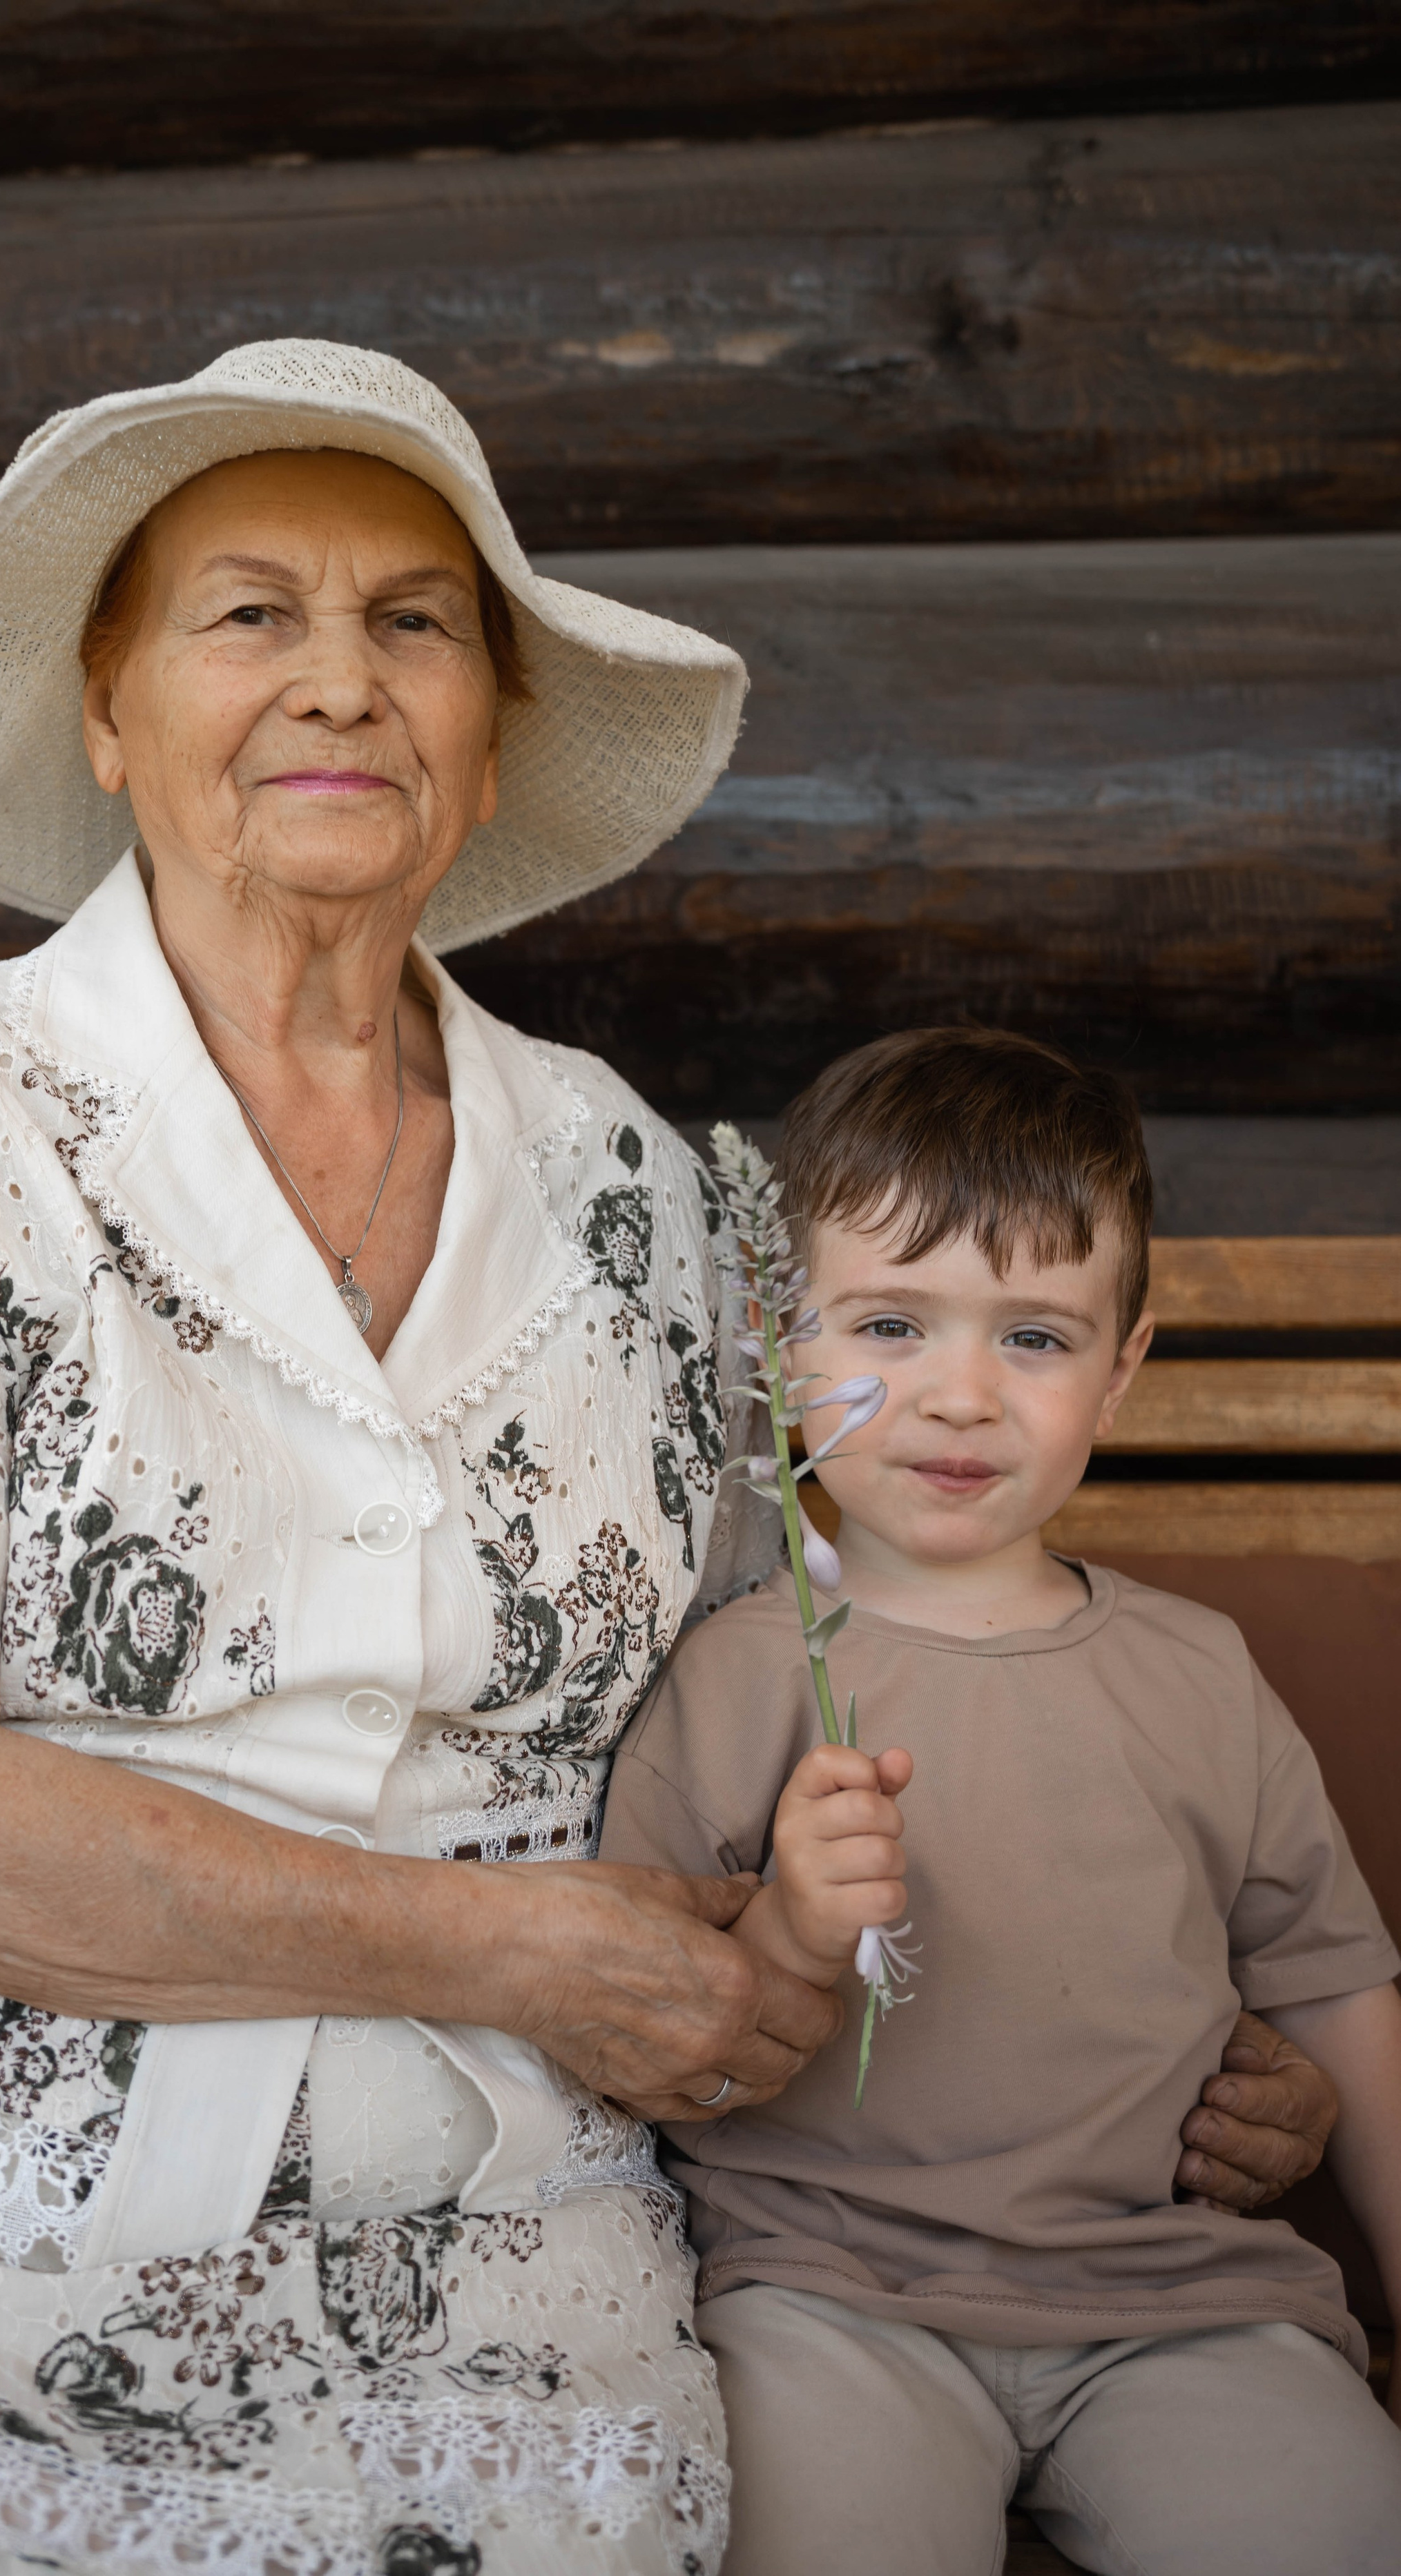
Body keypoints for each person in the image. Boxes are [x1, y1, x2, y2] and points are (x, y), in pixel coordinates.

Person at [0, 344, 1333, 2576]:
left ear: (491, 734)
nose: (341, 677)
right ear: (106, 709)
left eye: (414, 621)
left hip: (499, 2236)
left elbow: (808, 1707)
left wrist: (1168, 2025)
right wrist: (501, 1948)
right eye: (252, 612)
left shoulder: (638, 1188)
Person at [599, 1024, 1401, 2575]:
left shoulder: (1200, 1673)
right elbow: (636, 2037)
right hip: (822, 2295)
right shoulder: (736, 1674)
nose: (959, 1396)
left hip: (1182, 2305)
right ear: (776, 1340)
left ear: (1121, 1369)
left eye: (1033, 1337)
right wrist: (786, 1928)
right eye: (890, 1325)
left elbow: (1333, 1987)